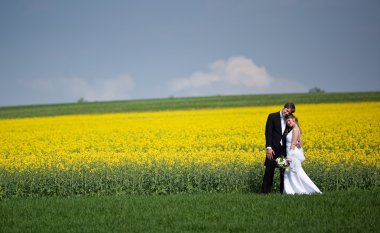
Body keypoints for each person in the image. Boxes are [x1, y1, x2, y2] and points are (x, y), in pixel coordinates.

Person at [283, 114, 322, 194]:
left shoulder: (295, 130)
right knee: (294, 172)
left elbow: (293, 144)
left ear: (294, 119)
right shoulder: (297, 129)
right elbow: (300, 144)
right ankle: (294, 190)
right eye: (287, 121)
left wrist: (289, 157)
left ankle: (294, 191)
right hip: (292, 153)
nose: (288, 122)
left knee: (293, 172)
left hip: (292, 154)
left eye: (289, 120)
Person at [261, 103, 295, 194]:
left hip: (283, 150)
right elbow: (268, 133)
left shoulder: (289, 119)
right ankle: (265, 192)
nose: (287, 113)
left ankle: (282, 192)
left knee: (283, 172)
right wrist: (268, 147)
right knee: (269, 171)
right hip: (272, 150)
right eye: (287, 110)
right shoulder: (272, 116)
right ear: (284, 108)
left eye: (289, 113)